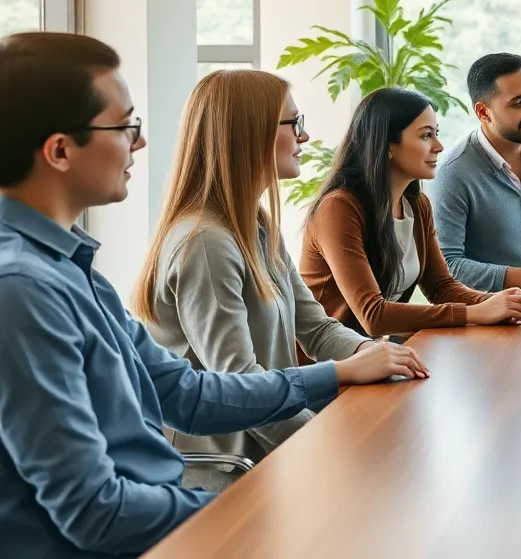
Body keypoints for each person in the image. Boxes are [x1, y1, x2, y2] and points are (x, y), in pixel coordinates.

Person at [0, 32, 427, 558]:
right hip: (185, 509)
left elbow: (187, 394)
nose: (139, 142)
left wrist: (341, 371)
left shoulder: (70, 269)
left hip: (178, 503)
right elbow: (96, 511)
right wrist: (274, 504)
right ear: (60, 150)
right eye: (124, 126)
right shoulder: (23, 290)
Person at [136, 70, 384, 471]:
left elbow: (316, 328)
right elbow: (239, 384)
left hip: (267, 455)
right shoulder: (205, 243)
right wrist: (325, 443)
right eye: (294, 123)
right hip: (225, 475)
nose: (303, 137)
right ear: (250, 134)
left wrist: (373, 353)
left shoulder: (256, 224)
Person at [301, 87, 521, 337]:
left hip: (370, 355)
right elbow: (373, 316)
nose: (439, 146)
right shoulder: (338, 208)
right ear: (387, 145)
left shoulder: (417, 205)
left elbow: (441, 287)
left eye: (436, 134)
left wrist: (498, 302)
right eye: (425, 136)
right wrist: (476, 313)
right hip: (323, 367)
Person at [428, 53, 521, 292]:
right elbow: (446, 267)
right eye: (518, 102)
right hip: (485, 317)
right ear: (483, 112)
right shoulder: (453, 172)